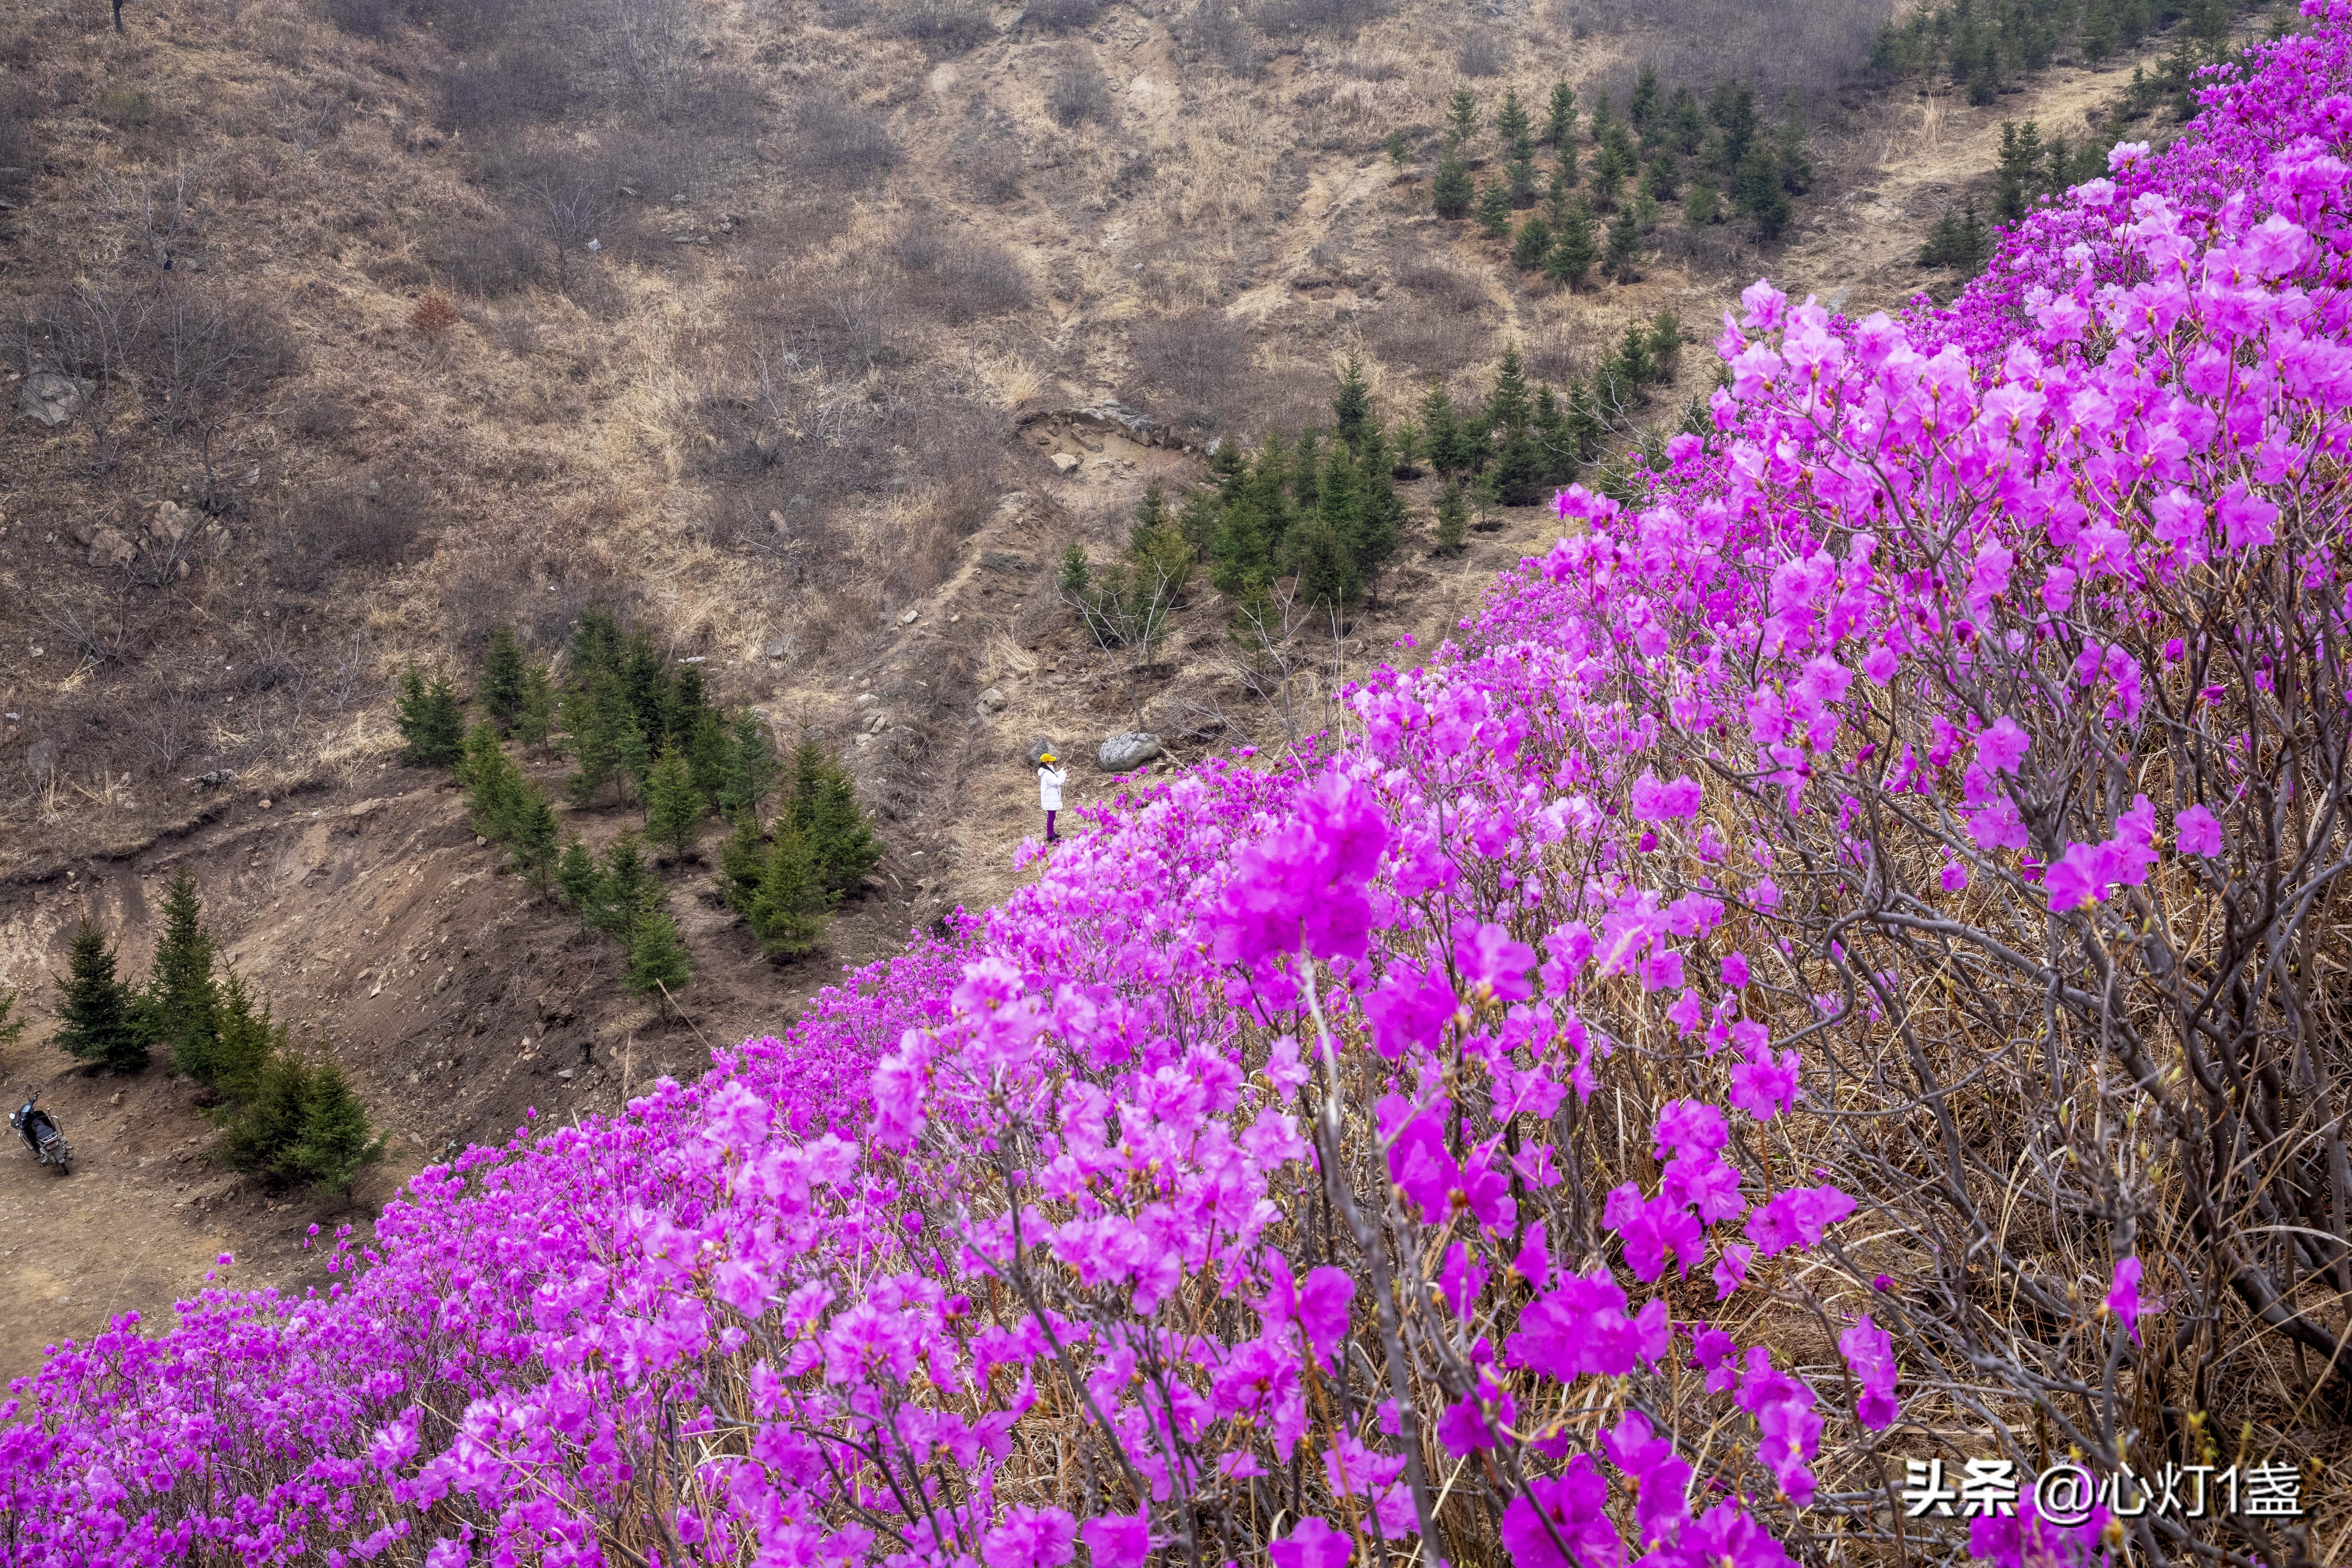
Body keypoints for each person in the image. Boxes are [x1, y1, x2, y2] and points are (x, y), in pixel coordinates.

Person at [1038, 752, 1067, 843]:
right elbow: (1056, 782)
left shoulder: (1048, 771)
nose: (1053, 763)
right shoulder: (1047, 774)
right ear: (1047, 763)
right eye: (1051, 761)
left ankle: (1052, 833)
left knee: (1052, 817)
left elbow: (1056, 776)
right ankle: (1050, 836)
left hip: (1050, 798)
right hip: (1050, 799)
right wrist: (1065, 774)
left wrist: (1063, 771)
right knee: (1051, 818)